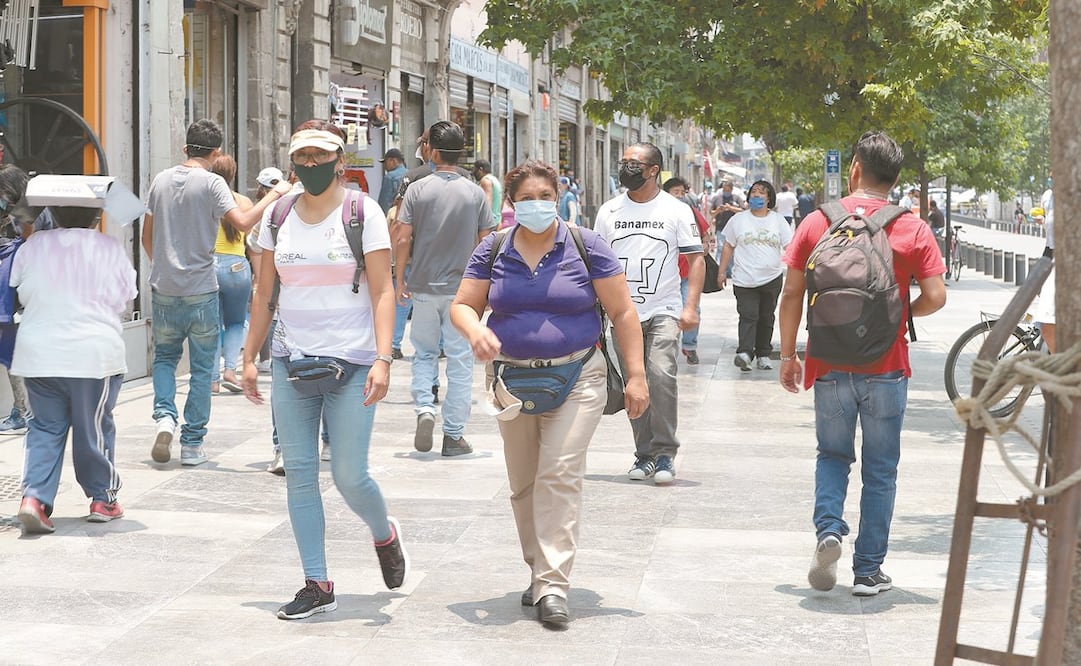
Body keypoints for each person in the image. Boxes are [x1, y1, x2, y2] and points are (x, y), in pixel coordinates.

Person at [451, 159, 649, 628]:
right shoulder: (494, 247)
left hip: (579, 375)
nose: (537, 205)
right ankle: (538, 570)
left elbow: (623, 314)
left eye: (546, 196)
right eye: (527, 198)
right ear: (511, 202)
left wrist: (637, 376)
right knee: (524, 482)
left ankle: (554, 584)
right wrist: (474, 331)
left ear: (557, 198)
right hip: (511, 381)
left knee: (559, 472)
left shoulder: (586, 245)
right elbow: (462, 304)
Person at [240, 120, 408, 619]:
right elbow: (265, 292)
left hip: (354, 363)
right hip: (294, 362)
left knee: (350, 475)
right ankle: (317, 582)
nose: (310, 166)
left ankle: (384, 532)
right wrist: (250, 357)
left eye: (320, 157)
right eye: (302, 158)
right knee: (300, 475)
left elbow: (382, 290)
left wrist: (383, 357)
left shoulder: (363, 212)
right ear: (292, 163)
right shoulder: (279, 215)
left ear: (340, 161)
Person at [778, 130, 946, 597]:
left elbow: (791, 293)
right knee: (881, 467)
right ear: (895, 179)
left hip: (827, 363)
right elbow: (936, 296)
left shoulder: (818, 222)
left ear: (854, 168)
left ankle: (829, 530)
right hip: (887, 366)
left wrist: (790, 354)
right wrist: (897, 313)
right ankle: (868, 571)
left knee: (832, 455)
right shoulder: (912, 228)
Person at [142, 118, 291, 467]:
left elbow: (148, 235)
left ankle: (165, 417)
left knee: (164, 358)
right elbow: (242, 222)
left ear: (184, 147)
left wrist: (163, 265)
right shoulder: (212, 183)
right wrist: (275, 193)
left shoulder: (160, 180)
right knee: (201, 367)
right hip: (201, 288)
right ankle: (192, 444)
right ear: (216, 152)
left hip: (163, 287)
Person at [13, 202, 137, 534]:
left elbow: (19, 289)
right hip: (92, 355)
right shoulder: (109, 247)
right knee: (92, 428)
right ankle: (102, 499)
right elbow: (128, 298)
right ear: (96, 215)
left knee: (44, 427)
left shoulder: (33, 244)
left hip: (38, 352)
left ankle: (34, 499)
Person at [594, 142, 704, 484]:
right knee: (634, 382)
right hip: (621, 312)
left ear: (653, 170)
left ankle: (665, 453)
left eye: (633, 163)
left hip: (664, 310)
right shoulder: (609, 211)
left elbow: (697, 259)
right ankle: (644, 454)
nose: (625, 167)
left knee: (661, 376)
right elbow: (595, 262)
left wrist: (691, 306)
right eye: (623, 161)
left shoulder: (676, 210)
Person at [395, 121, 494, 456]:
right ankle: (453, 435)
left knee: (423, 352)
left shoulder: (416, 190)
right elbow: (486, 243)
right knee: (460, 359)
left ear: (433, 152)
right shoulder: (475, 192)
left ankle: (425, 407)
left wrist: (399, 279)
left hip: (422, 286)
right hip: (463, 294)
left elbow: (403, 236)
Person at [718, 180, 792, 371]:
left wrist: (795, 273)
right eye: (753, 192)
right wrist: (721, 271)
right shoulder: (738, 219)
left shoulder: (778, 220)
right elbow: (728, 246)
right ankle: (745, 353)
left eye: (761, 193)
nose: (756, 195)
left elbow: (790, 247)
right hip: (744, 279)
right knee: (748, 315)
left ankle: (763, 354)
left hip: (771, 278)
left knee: (766, 317)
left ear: (769, 198)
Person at [209, 154, 254, 394]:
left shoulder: (204, 201)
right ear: (233, 175)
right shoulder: (243, 202)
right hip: (237, 267)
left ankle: (213, 379)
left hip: (209, 266)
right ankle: (230, 370)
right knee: (236, 321)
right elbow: (253, 242)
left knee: (213, 324)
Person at [662, 177, 711, 365]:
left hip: (686, 273)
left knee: (692, 308)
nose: (680, 196)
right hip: (664, 275)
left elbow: (706, 235)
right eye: (676, 192)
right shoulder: (656, 214)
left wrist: (704, 246)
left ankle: (690, 346)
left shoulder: (690, 212)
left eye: (683, 193)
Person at [0, 165, 31, 436]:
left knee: (12, 350)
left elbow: (28, 240)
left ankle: (22, 411)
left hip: (22, 291)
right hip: (26, 292)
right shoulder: (25, 208)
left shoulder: (26, 211)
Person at [474, 158, 504, 229]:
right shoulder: (494, 180)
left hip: (489, 223)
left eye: (474, 169)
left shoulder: (486, 181)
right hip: (496, 220)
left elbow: (487, 202)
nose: (473, 172)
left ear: (480, 169)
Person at [377, 148, 407, 215]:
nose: (384, 166)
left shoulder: (390, 177)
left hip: (394, 217)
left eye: (385, 163)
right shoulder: (411, 174)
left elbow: (384, 203)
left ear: (393, 161)